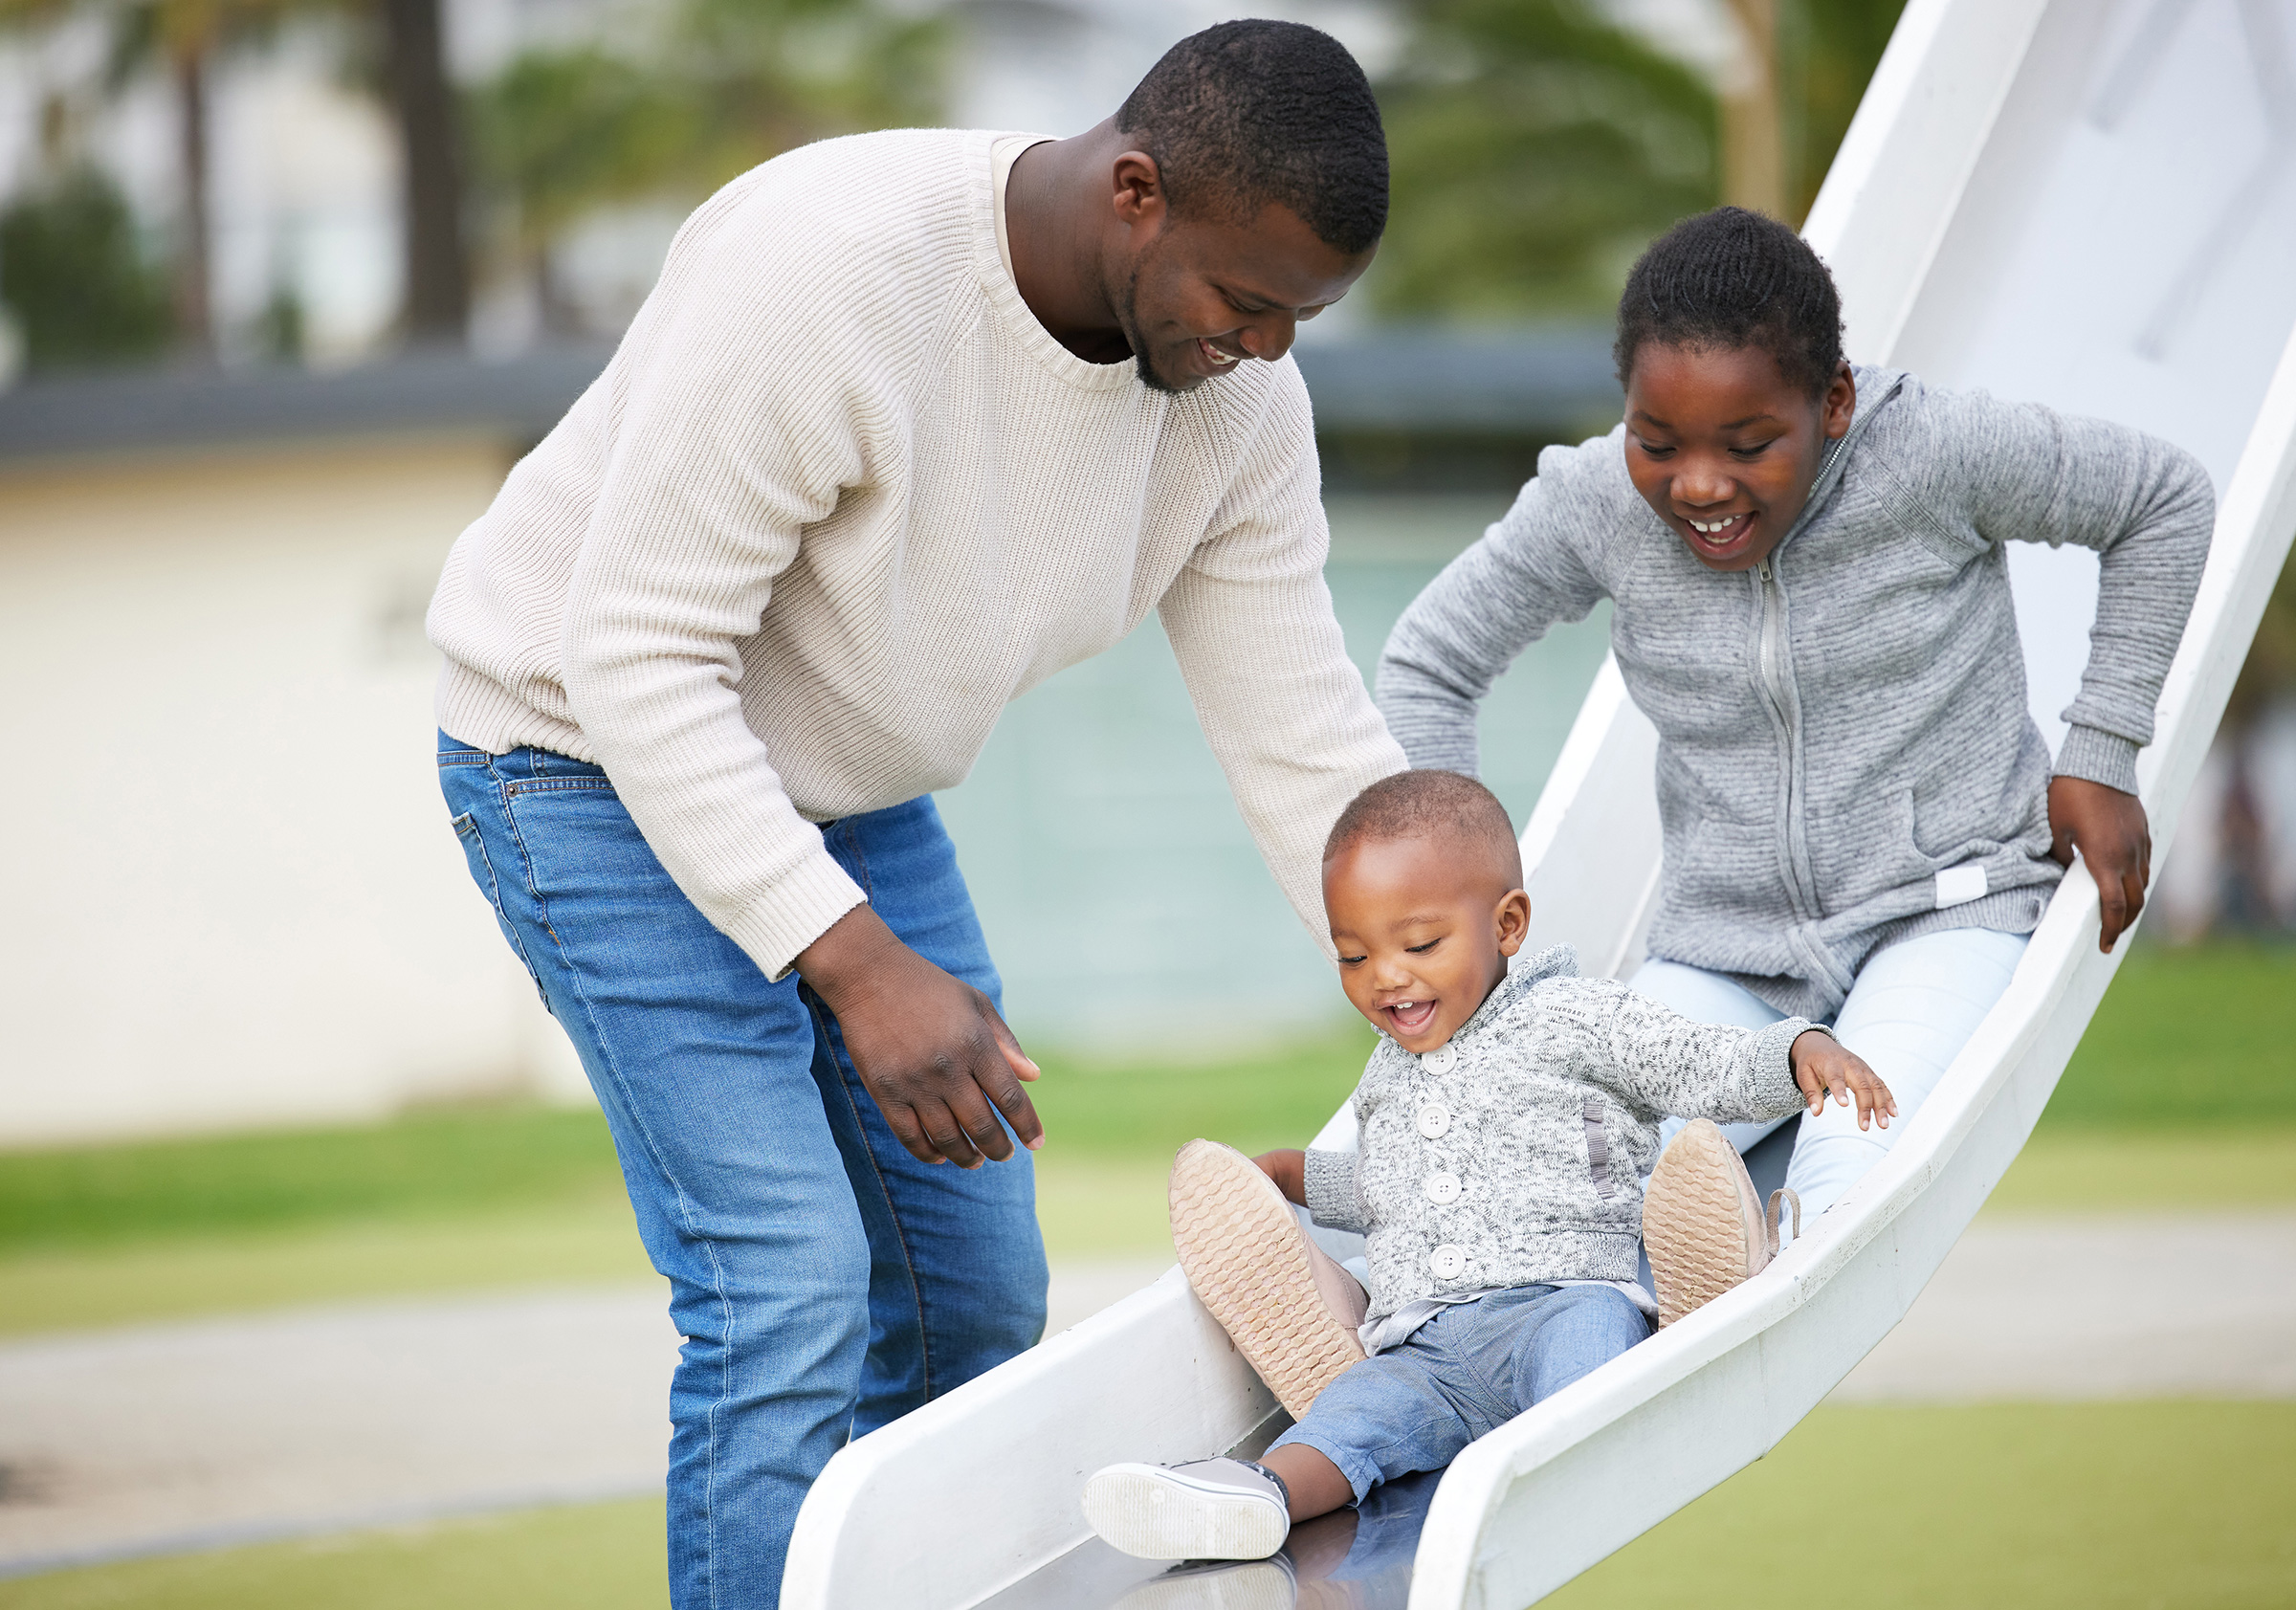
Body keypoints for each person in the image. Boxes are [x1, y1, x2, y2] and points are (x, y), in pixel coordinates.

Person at [425, 22, 1408, 1607]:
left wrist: (1467, 994)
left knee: (973, 1293)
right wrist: (859, 962)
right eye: (1248, 298)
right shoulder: (830, 269)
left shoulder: (1235, 406)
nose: (1269, 346)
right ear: (1138, 192)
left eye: (1302, 315)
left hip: (842, 788)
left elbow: (1305, 736)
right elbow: (635, 650)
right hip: (578, 757)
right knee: (785, 1284)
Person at [1377, 207, 2212, 1233]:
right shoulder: (1595, 502)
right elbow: (1430, 661)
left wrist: (2102, 749)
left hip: (1943, 910)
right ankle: (1362, 1293)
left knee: (1842, 1177)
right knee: (1553, 1170)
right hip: (1726, 950)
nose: (1699, 484)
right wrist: (1452, 913)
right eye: (1656, 442)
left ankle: (1744, 1251)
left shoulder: (1932, 452)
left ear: (1835, 402)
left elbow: (2162, 500)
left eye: (1750, 444)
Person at [1078, 771, 1893, 1563]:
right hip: (1425, 1347)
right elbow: (1389, 1192)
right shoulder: (1387, 1072)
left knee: (1588, 1366)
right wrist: (1300, 1178)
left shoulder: (1571, 1015)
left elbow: (1693, 1061)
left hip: (1563, 1299)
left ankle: (1643, 1379)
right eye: (1353, 956)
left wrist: (1794, 1050)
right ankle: (1256, 1494)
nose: (1386, 976)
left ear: (1507, 925)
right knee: (1349, 1413)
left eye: (1420, 944)